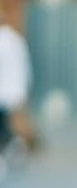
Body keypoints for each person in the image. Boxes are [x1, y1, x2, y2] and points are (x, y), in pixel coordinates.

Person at [0, 15, 34, 178]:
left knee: (7, 124)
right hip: (16, 89)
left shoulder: (3, 40)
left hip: (5, 91)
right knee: (11, 123)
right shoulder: (16, 39)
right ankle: (17, 147)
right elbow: (26, 66)